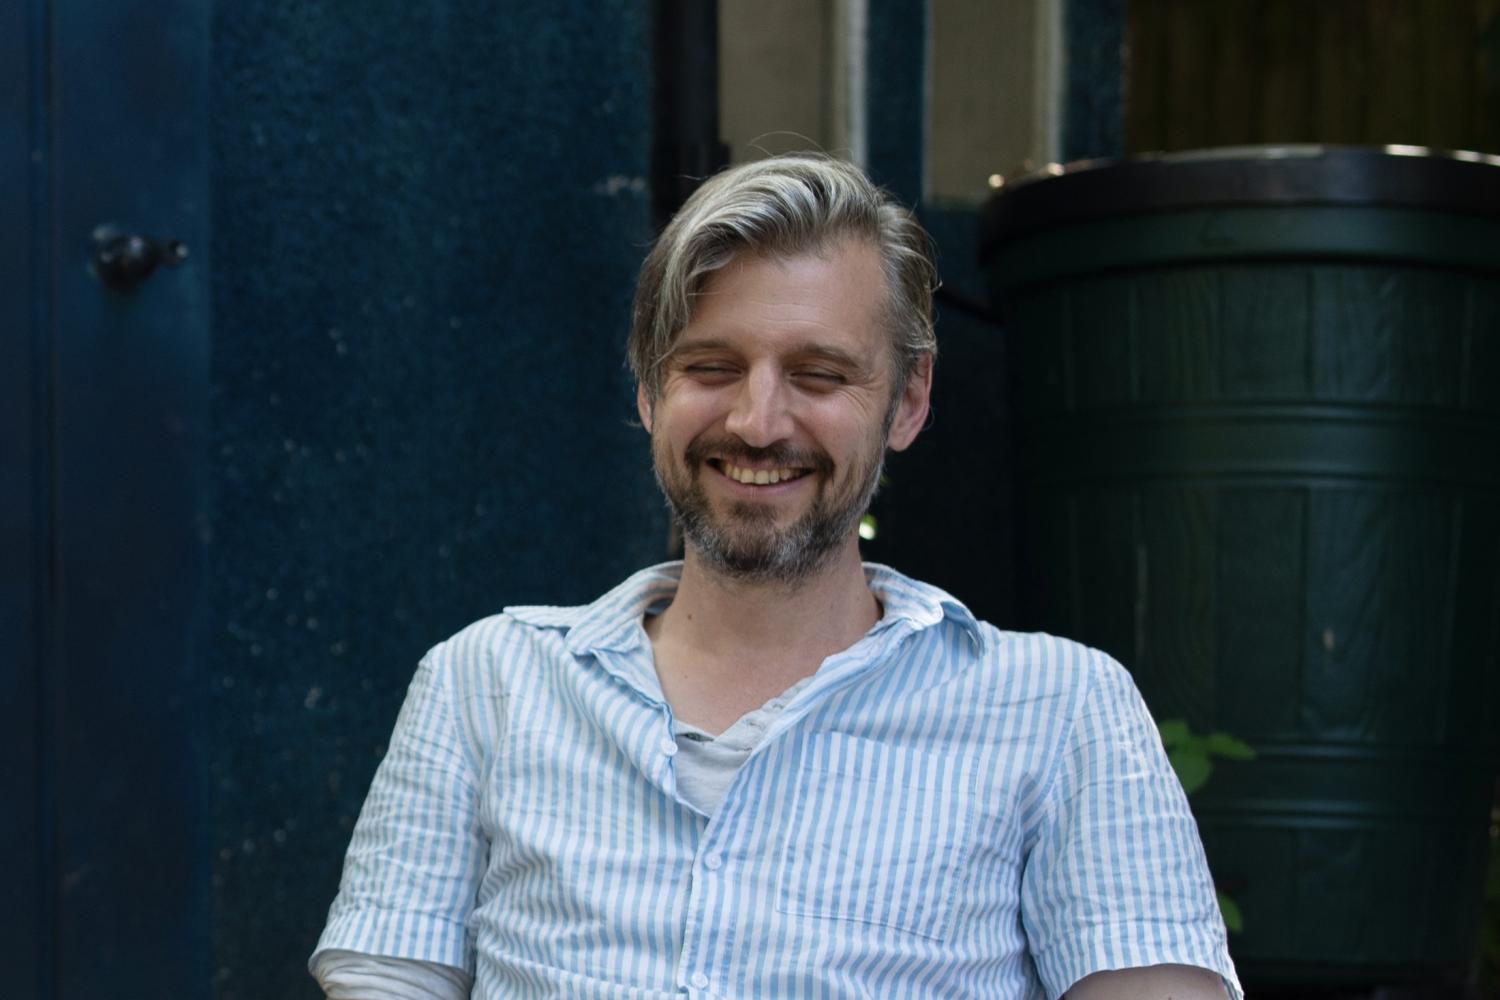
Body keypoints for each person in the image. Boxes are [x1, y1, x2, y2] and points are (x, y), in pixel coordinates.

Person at [310, 154, 1241, 999]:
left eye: (819, 375)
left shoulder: (1060, 710)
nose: (758, 421)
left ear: (908, 401)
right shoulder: (486, 683)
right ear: (646, 389)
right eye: (711, 366)